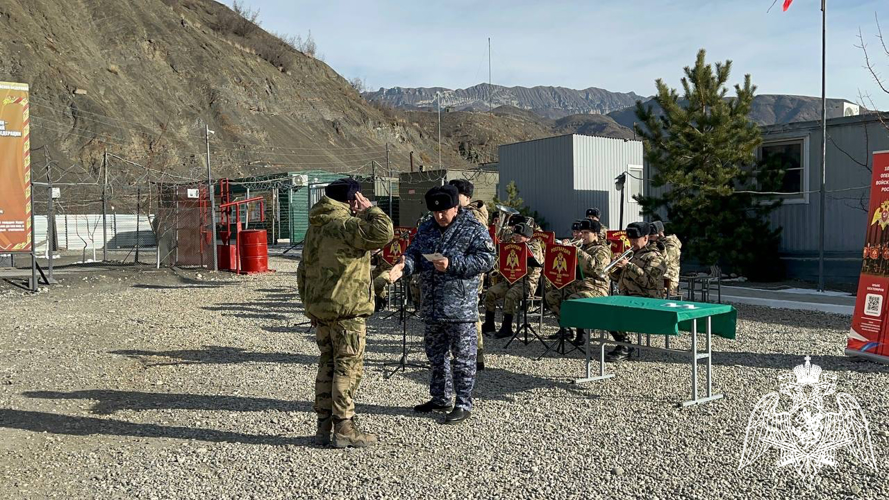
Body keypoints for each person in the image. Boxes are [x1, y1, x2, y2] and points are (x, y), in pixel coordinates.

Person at [297, 178, 394, 448]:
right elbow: (384, 232)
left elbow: (303, 270)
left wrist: (309, 305)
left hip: (322, 310)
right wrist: (371, 209)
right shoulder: (347, 225)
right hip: (347, 311)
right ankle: (345, 428)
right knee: (347, 368)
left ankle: (322, 428)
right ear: (352, 200)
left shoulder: (315, 227)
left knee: (327, 365)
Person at [389, 185, 495, 425]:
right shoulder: (427, 227)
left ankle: (463, 403)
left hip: (460, 307)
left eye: (444, 211)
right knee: (435, 355)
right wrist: (404, 265)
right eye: (435, 212)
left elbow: (488, 259)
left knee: (463, 359)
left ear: (456, 207)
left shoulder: (473, 228)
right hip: (433, 304)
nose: (439, 216)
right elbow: (415, 253)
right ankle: (440, 398)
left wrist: (454, 264)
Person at [545, 219, 612, 345]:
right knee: (551, 297)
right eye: (582, 232)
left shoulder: (602, 249)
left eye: (586, 233)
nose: (582, 235)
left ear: (596, 234)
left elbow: (596, 269)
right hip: (577, 286)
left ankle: (582, 334)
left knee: (574, 300)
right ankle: (565, 328)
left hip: (595, 288)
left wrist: (576, 251)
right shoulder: (581, 246)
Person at [607, 221, 667, 361]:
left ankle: (624, 346)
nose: (632, 242)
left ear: (645, 238)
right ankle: (624, 343)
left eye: (636, 239)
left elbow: (649, 282)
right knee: (605, 309)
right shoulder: (633, 254)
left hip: (647, 300)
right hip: (629, 297)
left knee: (614, 312)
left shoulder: (655, 256)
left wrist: (629, 266)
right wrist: (616, 266)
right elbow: (617, 279)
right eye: (630, 239)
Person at [449, 179, 490, 370]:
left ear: (466, 197)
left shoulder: (473, 216)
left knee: (471, 314)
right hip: (456, 270)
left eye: (455, 195)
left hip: (469, 273)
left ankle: (476, 356)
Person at [481, 223, 544, 339]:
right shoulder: (513, 245)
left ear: (527, 237)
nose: (516, 238)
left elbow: (533, 264)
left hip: (526, 284)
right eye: (515, 235)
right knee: (490, 292)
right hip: (509, 281)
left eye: (519, 236)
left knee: (510, 295)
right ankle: (489, 324)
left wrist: (521, 248)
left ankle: (507, 327)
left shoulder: (535, 246)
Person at [659, 223, 682, 297]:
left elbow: (666, 263)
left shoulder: (670, 246)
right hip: (663, 277)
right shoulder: (662, 243)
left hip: (669, 279)